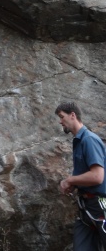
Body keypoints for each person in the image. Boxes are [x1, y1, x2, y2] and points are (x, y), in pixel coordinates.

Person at [55, 101, 106, 250]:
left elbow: (97, 177)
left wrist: (70, 180)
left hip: (100, 205)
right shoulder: (79, 141)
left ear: (73, 115)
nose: (60, 121)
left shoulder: (89, 140)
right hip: (86, 208)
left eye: (62, 116)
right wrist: (76, 183)